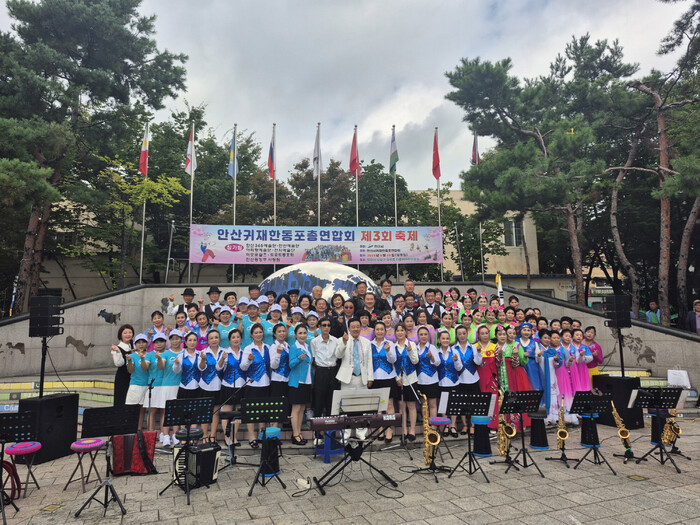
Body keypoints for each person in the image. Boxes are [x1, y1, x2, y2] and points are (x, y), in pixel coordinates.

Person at [335, 318, 374, 440]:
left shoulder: (366, 342)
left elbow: (369, 361)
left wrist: (370, 377)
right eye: (353, 327)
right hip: (347, 378)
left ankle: (361, 432)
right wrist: (344, 342)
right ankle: (346, 433)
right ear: (349, 328)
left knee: (362, 405)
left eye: (358, 327)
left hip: (362, 377)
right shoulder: (341, 340)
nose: (356, 329)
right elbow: (338, 355)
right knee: (346, 406)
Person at [240, 324, 271, 448]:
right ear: (252, 335)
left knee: (263, 410)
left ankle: (261, 434)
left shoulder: (267, 347)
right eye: (256, 333)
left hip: (266, 383)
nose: (258, 334)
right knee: (251, 411)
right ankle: (251, 436)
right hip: (253, 383)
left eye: (260, 332)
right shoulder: (248, 348)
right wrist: (248, 360)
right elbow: (243, 367)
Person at [368, 321, 398, 443]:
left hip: (388, 377)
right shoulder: (370, 344)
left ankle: (389, 429)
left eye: (382, 329)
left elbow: (393, 360)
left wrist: (388, 351)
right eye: (377, 329)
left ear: (385, 331)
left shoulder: (390, 343)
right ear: (374, 331)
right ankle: (380, 428)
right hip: (375, 377)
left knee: (389, 405)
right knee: (379, 406)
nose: (380, 331)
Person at [217, 329, 246, 447]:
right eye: (233, 337)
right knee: (227, 412)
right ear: (229, 340)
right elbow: (218, 368)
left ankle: (234, 436)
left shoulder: (244, 352)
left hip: (241, 385)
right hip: (228, 385)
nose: (236, 339)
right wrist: (222, 359)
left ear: (241, 339)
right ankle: (227, 436)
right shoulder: (225, 352)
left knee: (238, 412)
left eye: (238, 337)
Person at [156, 330, 184, 446]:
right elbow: (161, 366)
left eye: (177, 338)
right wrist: (159, 359)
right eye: (172, 339)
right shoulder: (166, 354)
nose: (175, 341)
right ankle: (166, 435)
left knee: (176, 412)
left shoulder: (185, 352)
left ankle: (175, 435)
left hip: (180, 385)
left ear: (181, 340)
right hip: (167, 385)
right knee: (165, 411)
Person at [310, 318, 339, 421]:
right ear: (319, 327)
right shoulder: (314, 341)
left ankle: (331, 426)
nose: (326, 327)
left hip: (333, 371)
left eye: (328, 325)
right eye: (324, 325)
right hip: (321, 371)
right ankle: (317, 427)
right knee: (319, 399)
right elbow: (313, 357)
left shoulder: (336, 340)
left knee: (332, 399)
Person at [394, 322, 419, 441]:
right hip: (399, 379)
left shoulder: (411, 344)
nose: (400, 333)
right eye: (398, 330)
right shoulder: (393, 346)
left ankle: (412, 430)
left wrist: (410, 351)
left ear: (405, 332)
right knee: (401, 406)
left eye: (402, 330)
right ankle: (404, 430)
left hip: (411, 378)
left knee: (411, 405)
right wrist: (397, 378)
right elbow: (392, 364)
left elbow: (415, 361)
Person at [288, 325, 313, 445]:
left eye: (304, 333)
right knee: (296, 408)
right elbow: (291, 364)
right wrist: (299, 359)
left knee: (302, 408)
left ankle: (299, 432)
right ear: (296, 335)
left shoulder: (307, 346)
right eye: (300, 333)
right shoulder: (294, 347)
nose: (302, 335)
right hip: (297, 381)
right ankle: (295, 434)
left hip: (306, 381)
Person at [453, 325, 479, 435]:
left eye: (464, 333)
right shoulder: (454, 349)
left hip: (473, 378)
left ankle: (472, 425)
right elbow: (457, 367)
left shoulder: (473, 347)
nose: (462, 336)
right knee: (462, 403)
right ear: (456, 335)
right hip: (461, 379)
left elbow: (478, 362)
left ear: (467, 334)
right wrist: (456, 361)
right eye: (459, 334)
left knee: (474, 403)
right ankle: (464, 425)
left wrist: (479, 353)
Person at [473, 325, 499, 430]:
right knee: (481, 399)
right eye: (482, 333)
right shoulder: (474, 347)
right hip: (479, 377)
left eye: (486, 333)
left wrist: (499, 356)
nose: (485, 335)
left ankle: (492, 424)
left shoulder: (495, 346)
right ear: (478, 335)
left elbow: (499, 364)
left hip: (492, 377)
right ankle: (482, 425)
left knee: (493, 398)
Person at [436, 330, 462, 437]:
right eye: (443, 338)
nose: (445, 340)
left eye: (447, 338)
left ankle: (453, 425)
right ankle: (446, 425)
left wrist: (456, 361)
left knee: (453, 404)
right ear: (439, 340)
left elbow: (459, 368)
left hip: (453, 382)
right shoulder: (436, 352)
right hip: (442, 382)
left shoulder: (455, 351)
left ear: (450, 340)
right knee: (443, 405)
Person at [198, 330, 223, 441]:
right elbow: (201, 368)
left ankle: (212, 435)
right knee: (204, 412)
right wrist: (203, 359)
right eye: (211, 338)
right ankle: (204, 435)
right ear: (207, 341)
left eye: (216, 337)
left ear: (219, 339)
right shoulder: (203, 352)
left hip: (219, 385)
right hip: (205, 385)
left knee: (216, 412)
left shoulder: (224, 352)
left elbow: (223, 368)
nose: (214, 340)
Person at [125, 333, 150, 430]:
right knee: (131, 409)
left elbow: (145, 368)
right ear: (135, 344)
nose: (141, 344)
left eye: (143, 342)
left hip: (147, 385)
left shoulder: (150, 355)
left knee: (142, 410)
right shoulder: (132, 356)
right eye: (139, 342)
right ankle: (130, 428)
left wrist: (142, 358)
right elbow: (130, 370)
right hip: (135, 385)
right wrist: (129, 361)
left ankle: (138, 429)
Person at [536, 330, 561, 425]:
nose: (547, 340)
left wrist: (557, 360)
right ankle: (544, 418)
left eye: (548, 338)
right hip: (541, 377)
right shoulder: (537, 348)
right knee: (543, 395)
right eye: (545, 338)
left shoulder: (552, 350)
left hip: (552, 376)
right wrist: (539, 355)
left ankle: (554, 417)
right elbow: (536, 362)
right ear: (540, 338)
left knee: (553, 396)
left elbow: (558, 364)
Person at [415, 326, 440, 420]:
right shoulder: (415, 348)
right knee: (424, 404)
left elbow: (438, 363)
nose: (423, 336)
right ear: (418, 336)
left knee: (432, 404)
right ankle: (426, 425)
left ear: (429, 336)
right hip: (420, 380)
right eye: (421, 334)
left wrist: (431, 357)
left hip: (431, 379)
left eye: (425, 334)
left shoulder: (432, 347)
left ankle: (433, 425)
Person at [144, 334, 167, 433]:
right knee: (152, 411)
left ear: (165, 342)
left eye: (161, 341)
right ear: (153, 344)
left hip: (165, 385)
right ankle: (151, 433)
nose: (159, 344)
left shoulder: (168, 353)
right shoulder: (149, 355)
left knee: (164, 411)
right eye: (156, 342)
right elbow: (145, 366)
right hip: (153, 385)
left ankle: (163, 433)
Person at [269, 323, 291, 427]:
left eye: (283, 331)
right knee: (276, 406)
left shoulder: (288, 345)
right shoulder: (273, 347)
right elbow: (273, 365)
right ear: (275, 334)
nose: (282, 333)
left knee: (286, 405)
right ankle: (273, 430)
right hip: (277, 379)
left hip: (288, 379)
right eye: (279, 331)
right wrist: (278, 353)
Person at [111, 324, 134, 406]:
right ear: (120, 335)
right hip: (123, 377)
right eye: (125, 333)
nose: (128, 335)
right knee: (121, 400)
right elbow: (118, 363)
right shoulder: (117, 348)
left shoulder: (134, 345)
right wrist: (118, 352)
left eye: (130, 332)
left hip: (134, 377)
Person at [173, 332, 201, 401]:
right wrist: (176, 364)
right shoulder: (180, 356)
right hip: (184, 387)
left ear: (197, 342)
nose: (192, 342)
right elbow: (176, 371)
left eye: (194, 340)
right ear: (185, 342)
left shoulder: (201, 355)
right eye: (190, 340)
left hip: (198, 386)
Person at [517, 323, 544, 391]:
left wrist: (539, 355)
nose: (526, 332)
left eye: (528, 330)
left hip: (532, 366)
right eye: (524, 330)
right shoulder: (516, 341)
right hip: (519, 365)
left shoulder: (534, 343)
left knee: (533, 384)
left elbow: (538, 360)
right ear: (520, 331)